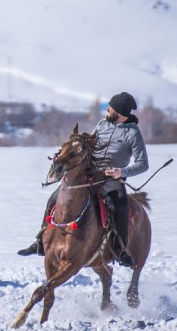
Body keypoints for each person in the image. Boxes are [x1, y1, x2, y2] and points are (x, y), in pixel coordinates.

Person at [17, 92, 149, 267]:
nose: (107, 110)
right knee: (55, 198)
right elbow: (90, 145)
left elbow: (143, 164)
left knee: (120, 205)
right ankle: (41, 241)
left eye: (110, 108)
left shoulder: (133, 134)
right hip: (88, 173)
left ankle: (120, 249)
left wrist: (121, 172)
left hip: (110, 178)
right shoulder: (102, 125)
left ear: (120, 112)